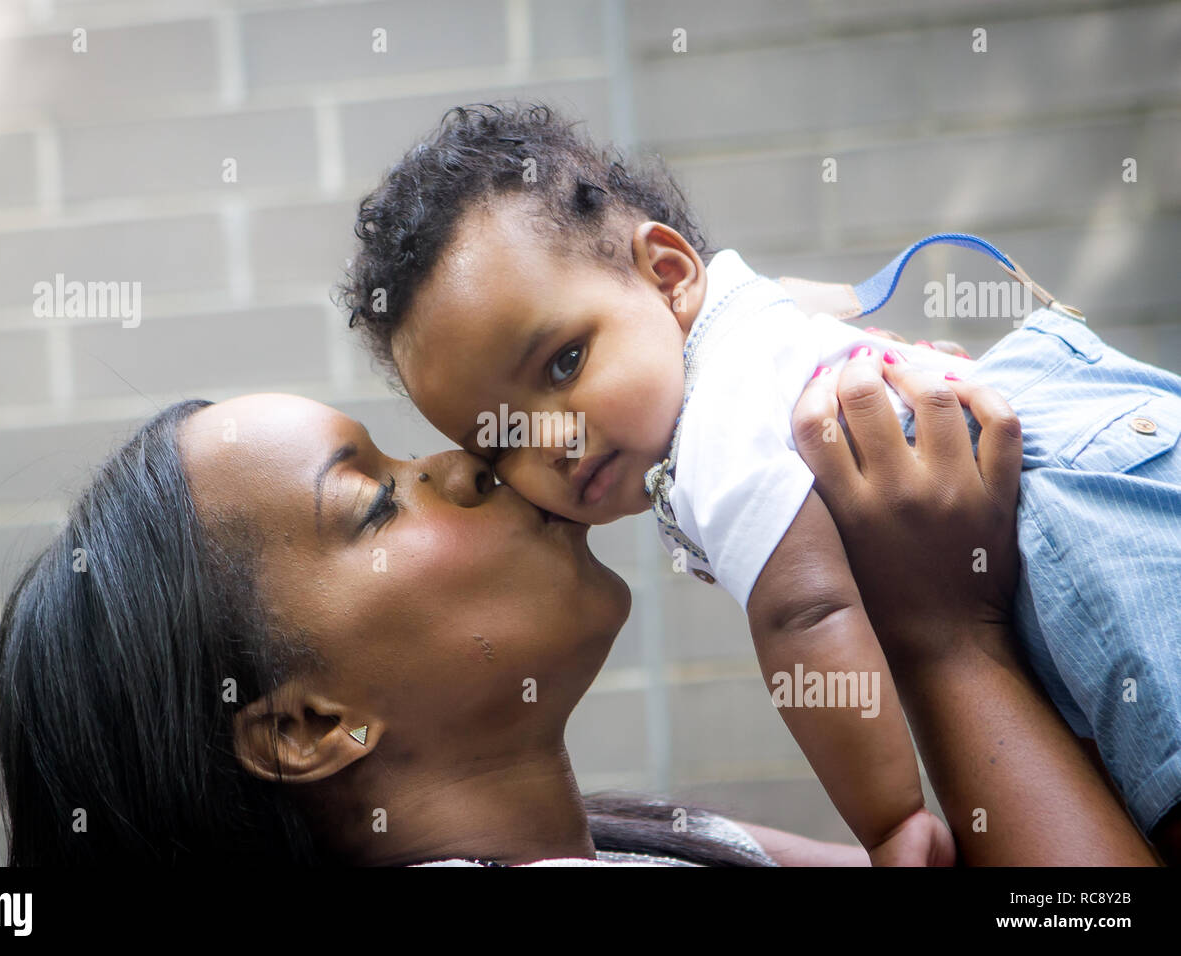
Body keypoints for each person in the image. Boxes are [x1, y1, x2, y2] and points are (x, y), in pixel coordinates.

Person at [337, 102, 1181, 862]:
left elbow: (804, 613)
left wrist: (889, 820)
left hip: (1068, 500)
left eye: (563, 363)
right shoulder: (734, 319)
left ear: (668, 274)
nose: (552, 441)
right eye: (500, 438)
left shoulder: (712, 426)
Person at [0, 383, 1157, 865]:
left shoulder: (627, 836)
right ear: (307, 723)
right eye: (372, 499)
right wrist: (944, 633)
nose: (463, 460)